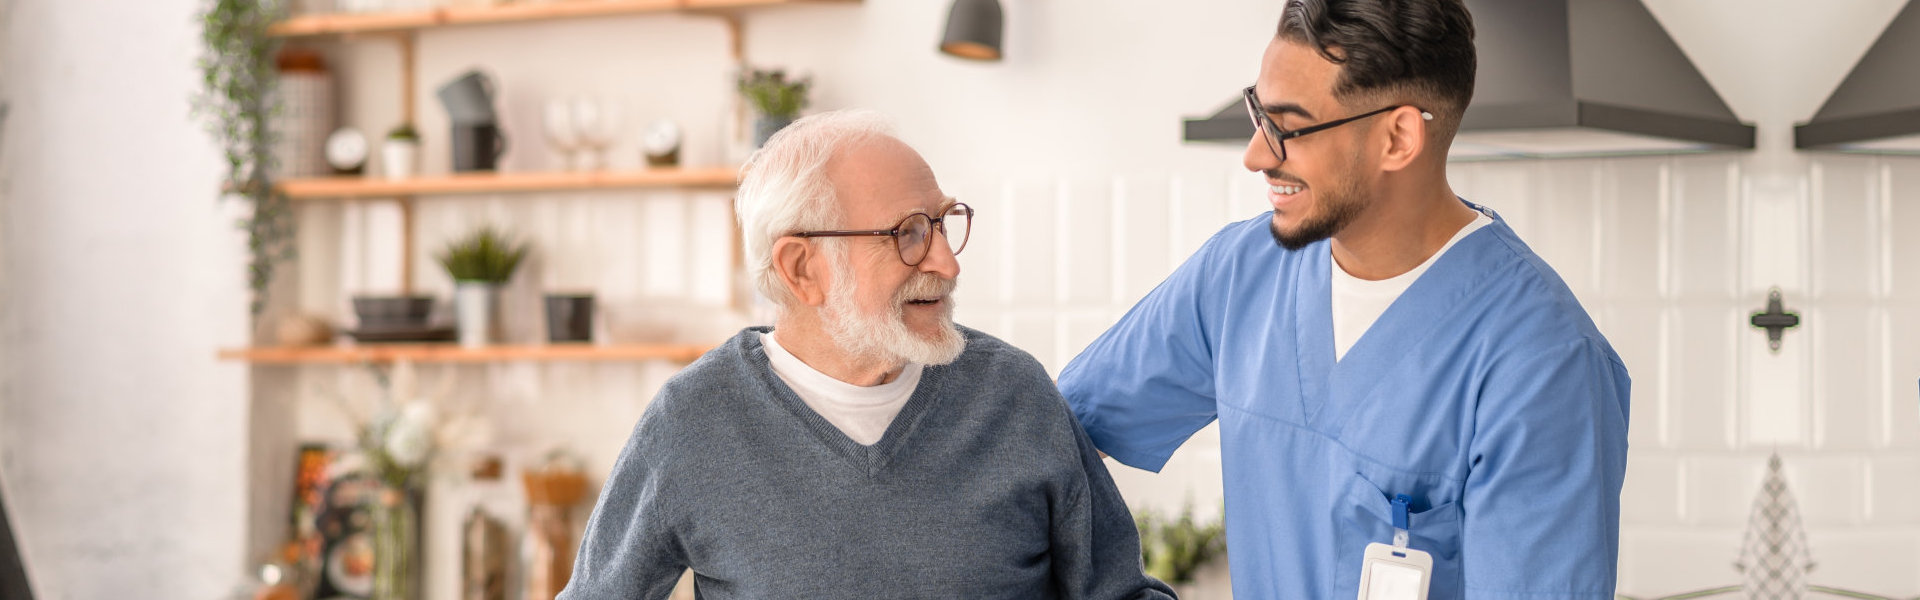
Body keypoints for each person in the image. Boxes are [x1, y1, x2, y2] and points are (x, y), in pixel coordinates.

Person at [1058, 1, 1631, 598]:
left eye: (1289, 127)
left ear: (1398, 137)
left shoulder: (1545, 364)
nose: (1257, 154)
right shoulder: (1240, 274)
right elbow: (1046, 438)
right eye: (1259, 113)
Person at [558, 110, 1173, 600]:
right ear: (802, 269)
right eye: (908, 233)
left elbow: (1118, 593)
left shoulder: (1014, 393)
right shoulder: (692, 421)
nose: (947, 262)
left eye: (943, 222)